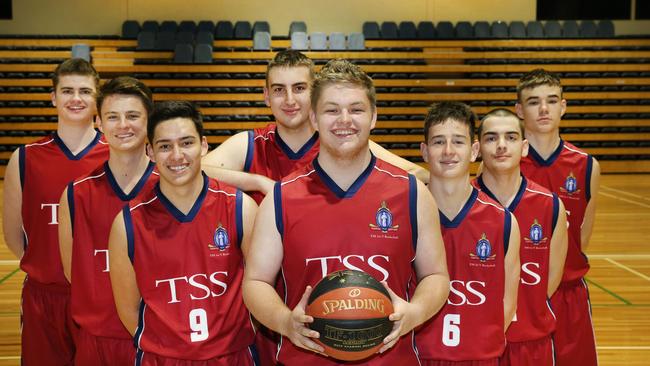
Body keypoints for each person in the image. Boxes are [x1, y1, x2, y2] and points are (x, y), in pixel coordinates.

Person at [242, 59, 449, 365]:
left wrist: (415, 312)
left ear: (374, 116)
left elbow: (436, 275)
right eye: (331, 110)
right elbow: (256, 282)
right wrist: (286, 321)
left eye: (356, 109)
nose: (344, 120)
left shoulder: (412, 192)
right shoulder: (282, 196)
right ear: (313, 117)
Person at [108, 101, 258, 364]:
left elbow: (261, 288)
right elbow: (128, 310)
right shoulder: (128, 223)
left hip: (232, 356)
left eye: (186, 143)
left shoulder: (240, 208)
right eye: (165, 146)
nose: (177, 155)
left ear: (204, 145)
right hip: (162, 359)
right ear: (150, 152)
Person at [202, 50, 428, 204]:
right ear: (267, 96)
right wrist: (259, 182)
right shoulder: (252, 144)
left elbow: (418, 174)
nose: (289, 100)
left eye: (299, 88)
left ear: (314, 93)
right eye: (279, 90)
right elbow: (196, 170)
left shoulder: (338, 140)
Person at [2, 58, 110, 365]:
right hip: (44, 298)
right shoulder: (25, 158)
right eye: (67, 91)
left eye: (85, 91)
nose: (76, 99)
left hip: (101, 296)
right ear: (53, 98)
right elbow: (15, 238)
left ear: (96, 100)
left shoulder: (116, 156)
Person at [57, 76, 157, 365]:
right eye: (113, 117)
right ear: (99, 121)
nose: (123, 125)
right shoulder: (76, 194)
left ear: (149, 120)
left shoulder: (171, 189)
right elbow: (71, 272)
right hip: (97, 342)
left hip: (159, 342)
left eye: (133, 116)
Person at [416, 101, 520, 365]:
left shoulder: (503, 222)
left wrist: (479, 346)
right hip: (418, 356)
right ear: (425, 151)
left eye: (458, 142)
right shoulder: (408, 216)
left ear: (474, 150)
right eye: (439, 142)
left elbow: (506, 305)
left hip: (479, 358)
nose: (448, 151)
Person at [516, 69, 600, 365]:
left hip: (569, 294)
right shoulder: (503, 165)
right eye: (533, 101)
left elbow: (582, 237)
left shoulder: (586, 165)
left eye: (551, 101)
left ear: (563, 106)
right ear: (519, 110)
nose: (543, 109)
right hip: (521, 296)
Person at [474, 108, 568, 366]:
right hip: (473, 345)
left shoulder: (550, 205)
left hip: (530, 343)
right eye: (491, 138)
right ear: (478, 148)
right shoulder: (460, 203)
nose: (501, 145)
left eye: (511, 137)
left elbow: (550, 280)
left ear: (524, 147)